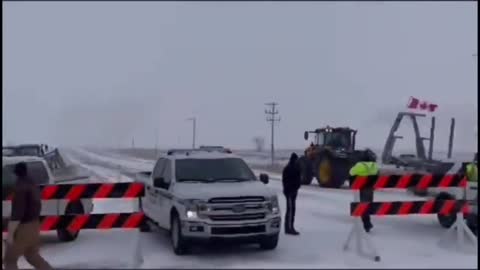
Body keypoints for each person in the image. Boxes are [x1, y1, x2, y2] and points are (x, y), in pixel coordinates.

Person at [3, 162, 52, 270]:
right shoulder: (32, 184)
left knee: (10, 259)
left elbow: (18, 213)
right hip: (34, 225)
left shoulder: (20, 188)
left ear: (16, 174)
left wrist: (11, 234)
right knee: (32, 256)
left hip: (23, 227)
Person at [349, 149, 379, 233]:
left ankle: (367, 224)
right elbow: (377, 174)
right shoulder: (374, 165)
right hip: (370, 188)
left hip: (362, 188)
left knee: (363, 206)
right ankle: (367, 222)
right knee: (368, 205)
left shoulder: (359, 165)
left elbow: (351, 172)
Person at [282, 153, 301, 235]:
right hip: (289, 192)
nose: (297, 161)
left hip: (293, 191)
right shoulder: (288, 168)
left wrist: (297, 187)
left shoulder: (296, 168)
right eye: (296, 159)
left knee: (292, 210)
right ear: (294, 159)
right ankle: (288, 228)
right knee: (290, 210)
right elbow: (285, 181)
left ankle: (290, 227)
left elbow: (298, 179)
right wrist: (289, 190)